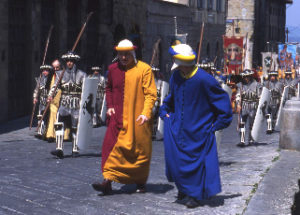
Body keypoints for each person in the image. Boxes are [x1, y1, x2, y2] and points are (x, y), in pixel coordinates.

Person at [159, 44, 232, 208]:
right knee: (177, 160)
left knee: (197, 165)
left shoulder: (204, 79)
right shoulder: (176, 76)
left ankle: (196, 195)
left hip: (199, 130)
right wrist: (165, 111)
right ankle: (184, 189)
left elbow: (222, 103)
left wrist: (216, 125)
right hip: (179, 128)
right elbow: (172, 97)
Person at [92, 39, 157, 194]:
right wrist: (110, 106)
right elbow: (109, 88)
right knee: (110, 148)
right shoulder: (112, 69)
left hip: (137, 119)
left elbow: (151, 95)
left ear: (132, 53)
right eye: (121, 54)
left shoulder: (144, 69)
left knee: (138, 152)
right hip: (117, 118)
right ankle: (107, 181)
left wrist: (146, 113)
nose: (123, 57)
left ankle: (140, 181)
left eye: (127, 54)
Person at [48, 51, 86, 158]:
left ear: (74, 62)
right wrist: (50, 95)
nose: (69, 63)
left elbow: (87, 91)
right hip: (64, 103)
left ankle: (75, 149)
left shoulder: (82, 75)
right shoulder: (60, 74)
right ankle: (59, 148)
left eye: (71, 61)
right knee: (59, 125)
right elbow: (55, 87)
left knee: (74, 127)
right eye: (68, 61)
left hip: (76, 104)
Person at [236, 69, 262, 147]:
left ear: (250, 77)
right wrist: (238, 104)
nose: (246, 78)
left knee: (251, 124)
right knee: (242, 124)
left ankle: (250, 139)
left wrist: (259, 105)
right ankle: (242, 141)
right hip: (244, 106)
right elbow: (238, 96)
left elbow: (260, 96)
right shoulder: (240, 85)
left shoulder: (257, 85)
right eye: (245, 77)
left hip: (253, 106)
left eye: (247, 77)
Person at [33, 64, 54, 139]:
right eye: (43, 71)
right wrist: (35, 97)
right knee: (40, 116)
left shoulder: (52, 79)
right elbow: (36, 90)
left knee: (48, 117)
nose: (44, 72)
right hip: (42, 100)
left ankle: (47, 132)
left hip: (49, 100)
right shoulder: (39, 79)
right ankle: (40, 132)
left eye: (46, 71)